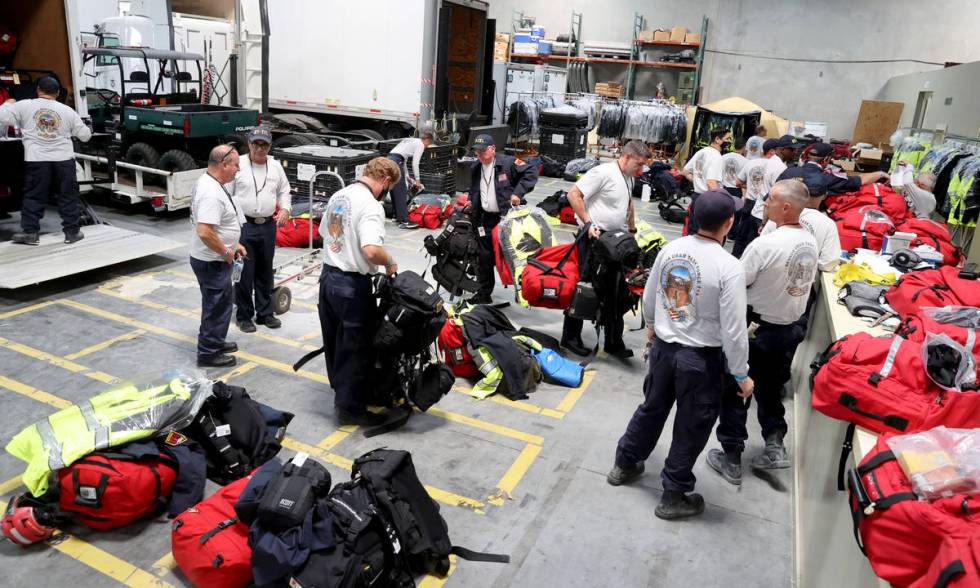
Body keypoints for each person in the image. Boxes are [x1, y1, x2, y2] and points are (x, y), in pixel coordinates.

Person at [607, 189, 753, 520]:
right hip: (700, 361)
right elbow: (734, 329)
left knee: (651, 409)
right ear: (729, 223)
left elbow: (650, 294)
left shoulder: (671, 249)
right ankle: (673, 495)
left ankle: (624, 463)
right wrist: (741, 375)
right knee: (691, 425)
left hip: (664, 350)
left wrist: (653, 328)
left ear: (694, 217)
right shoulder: (728, 266)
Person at [708, 180, 819, 485]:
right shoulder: (809, 241)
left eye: (770, 199)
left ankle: (731, 455)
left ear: (786, 207)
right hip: (789, 328)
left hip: (757, 328)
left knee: (736, 386)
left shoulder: (765, 245)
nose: (764, 204)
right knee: (771, 387)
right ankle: (774, 443)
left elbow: (735, 283)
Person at [318, 157, 401, 426]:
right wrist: (389, 262)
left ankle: (341, 392)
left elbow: (325, 233)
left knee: (334, 342)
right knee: (355, 348)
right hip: (352, 285)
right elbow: (370, 249)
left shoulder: (339, 196)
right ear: (385, 181)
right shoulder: (371, 206)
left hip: (328, 279)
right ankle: (350, 408)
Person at [560, 140, 647, 359]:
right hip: (595, 243)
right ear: (626, 157)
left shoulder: (628, 177)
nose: (641, 170)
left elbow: (628, 204)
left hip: (616, 244)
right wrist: (589, 223)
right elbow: (573, 194)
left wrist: (632, 229)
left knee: (617, 291)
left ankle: (613, 341)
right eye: (639, 164)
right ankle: (570, 337)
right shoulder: (603, 172)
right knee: (585, 289)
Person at [0, 76, 92, 245]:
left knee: (34, 196)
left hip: (37, 160)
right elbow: (85, 136)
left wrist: (8, 103)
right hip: (64, 160)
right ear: (57, 93)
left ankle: (30, 233)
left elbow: (2, 117)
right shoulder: (67, 111)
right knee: (67, 195)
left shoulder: (24, 105)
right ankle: (72, 232)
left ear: (38, 90)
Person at [189, 144, 246, 368]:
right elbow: (204, 231)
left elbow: (218, 224)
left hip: (214, 257)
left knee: (222, 303)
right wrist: (225, 252)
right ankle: (208, 353)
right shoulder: (211, 192)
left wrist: (235, 243)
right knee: (216, 305)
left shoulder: (212, 182)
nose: (237, 170)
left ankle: (215, 341)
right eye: (235, 165)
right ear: (224, 164)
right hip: (212, 260)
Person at [231, 127, 291, 333]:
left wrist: (285, 209)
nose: (259, 148)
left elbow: (285, 190)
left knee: (265, 271)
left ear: (269, 146)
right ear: (249, 144)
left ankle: (265, 313)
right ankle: (244, 315)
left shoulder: (275, 166)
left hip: (267, 226)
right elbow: (228, 194)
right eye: (256, 143)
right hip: (244, 225)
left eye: (264, 144)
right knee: (244, 273)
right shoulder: (237, 164)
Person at [466, 134, 538, 304]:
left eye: (482, 152)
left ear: (492, 149)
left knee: (515, 257)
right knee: (484, 259)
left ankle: (523, 292)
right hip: (485, 220)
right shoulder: (476, 167)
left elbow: (531, 172)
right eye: (477, 152)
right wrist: (470, 200)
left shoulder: (507, 163)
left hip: (506, 220)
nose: (479, 156)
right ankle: (484, 294)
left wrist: (517, 193)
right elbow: (474, 188)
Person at [761, 175, 841, 272]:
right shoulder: (828, 224)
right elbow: (827, 263)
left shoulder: (780, 212)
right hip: (804, 283)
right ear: (824, 195)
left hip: (769, 276)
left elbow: (761, 249)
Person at [778, 142, 887, 194]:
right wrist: (881, 173)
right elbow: (860, 180)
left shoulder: (788, 171)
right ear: (826, 160)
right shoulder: (827, 178)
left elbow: (771, 195)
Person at [682, 128, 729, 233]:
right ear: (717, 139)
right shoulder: (716, 156)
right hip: (708, 200)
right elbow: (711, 182)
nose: (729, 142)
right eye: (727, 139)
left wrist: (697, 182)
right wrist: (719, 202)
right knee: (703, 233)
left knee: (693, 231)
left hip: (696, 197)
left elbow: (685, 171)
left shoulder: (701, 152)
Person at [386, 131, 434, 229]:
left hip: (389, 159)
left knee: (394, 189)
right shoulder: (420, 144)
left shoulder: (411, 140)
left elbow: (403, 159)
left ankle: (396, 216)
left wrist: (407, 175)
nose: (426, 147)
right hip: (396, 161)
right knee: (401, 191)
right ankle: (404, 221)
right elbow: (415, 163)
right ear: (427, 140)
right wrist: (417, 180)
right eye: (428, 145)